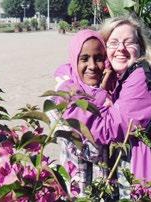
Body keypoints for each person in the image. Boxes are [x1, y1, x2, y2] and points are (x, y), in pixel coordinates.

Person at [61, 16, 151, 198]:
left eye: (129, 42)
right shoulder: (124, 76)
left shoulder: (142, 79)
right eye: (113, 43)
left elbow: (105, 128)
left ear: (141, 47)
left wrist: (67, 94)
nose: (121, 48)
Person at [50, 29, 114, 197]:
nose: (92, 66)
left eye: (99, 58)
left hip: (103, 187)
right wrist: (102, 93)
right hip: (76, 189)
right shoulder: (64, 94)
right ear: (74, 60)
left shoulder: (110, 88)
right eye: (84, 59)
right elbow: (90, 151)